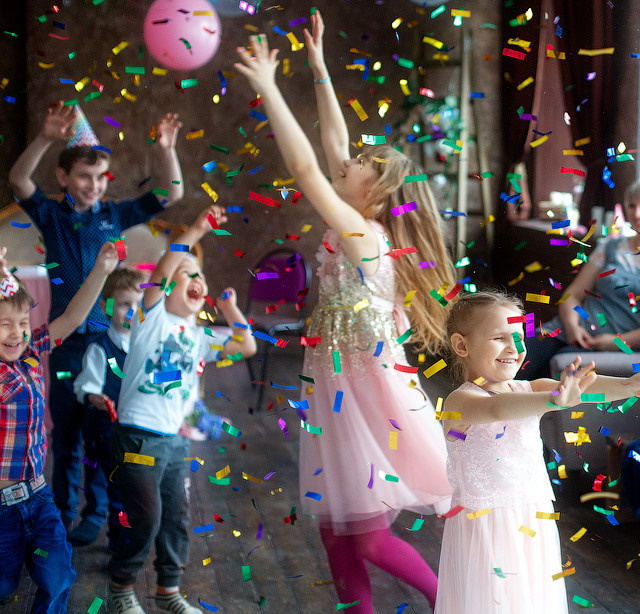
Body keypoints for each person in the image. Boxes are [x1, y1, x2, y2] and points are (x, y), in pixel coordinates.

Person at [234, 15, 455, 613]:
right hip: (334, 384)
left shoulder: (363, 235)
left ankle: (452, 601)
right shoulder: (359, 221)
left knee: (367, 533)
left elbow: (308, 168)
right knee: (335, 526)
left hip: (365, 393)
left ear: (375, 192)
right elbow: (333, 145)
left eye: (360, 162)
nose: (347, 160)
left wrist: (270, 88)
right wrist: (320, 66)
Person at [7, 102, 185, 537]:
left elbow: (172, 194)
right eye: (84, 176)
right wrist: (47, 137)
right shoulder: (51, 214)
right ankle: (65, 513)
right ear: (65, 178)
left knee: (103, 435)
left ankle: (97, 514)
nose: (93, 184)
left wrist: (165, 150)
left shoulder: (116, 215)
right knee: (66, 433)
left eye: (100, 176)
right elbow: (17, 180)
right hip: (66, 341)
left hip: (108, 344)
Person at [435, 290, 640, 613]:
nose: (514, 348)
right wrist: (554, 399)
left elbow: (586, 388)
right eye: (498, 338)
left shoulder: (529, 388)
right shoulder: (460, 402)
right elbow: (497, 410)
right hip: (485, 530)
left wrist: (630, 385)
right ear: (462, 345)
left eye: (518, 338)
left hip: (533, 520)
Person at [105, 206, 256, 614]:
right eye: (187, 274)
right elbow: (162, 269)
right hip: (137, 435)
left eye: (200, 276)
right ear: (166, 287)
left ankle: (168, 591)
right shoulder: (149, 317)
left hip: (172, 441)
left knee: (176, 517)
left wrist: (229, 311)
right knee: (147, 518)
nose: (197, 280)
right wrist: (196, 230)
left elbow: (246, 346)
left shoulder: (199, 335)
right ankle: (121, 587)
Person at [0, 241, 119, 614]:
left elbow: (71, 318)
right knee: (3, 587)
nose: (16, 333)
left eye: (21, 323)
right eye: (4, 325)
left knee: (56, 576)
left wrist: (100, 270)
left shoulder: (32, 353)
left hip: (38, 498)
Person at [520, 180, 640, 379]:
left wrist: (618, 342)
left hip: (618, 347)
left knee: (554, 371)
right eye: (632, 206)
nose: (637, 214)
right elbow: (572, 295)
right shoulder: (610, 246)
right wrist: (572, 327)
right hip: (568, 331)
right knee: (517, 353)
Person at [71, 267, 145, 548]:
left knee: (127, 490)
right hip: (104, 433)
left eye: (138, 305)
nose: (132, 311)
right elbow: (83, 386)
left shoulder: (146, 347)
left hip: (136, 433)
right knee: (104, 481)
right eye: (125, 304)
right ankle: (111, 533)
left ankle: (123, 536)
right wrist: (94, 398)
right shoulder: (99, 349)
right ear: (106, 307)